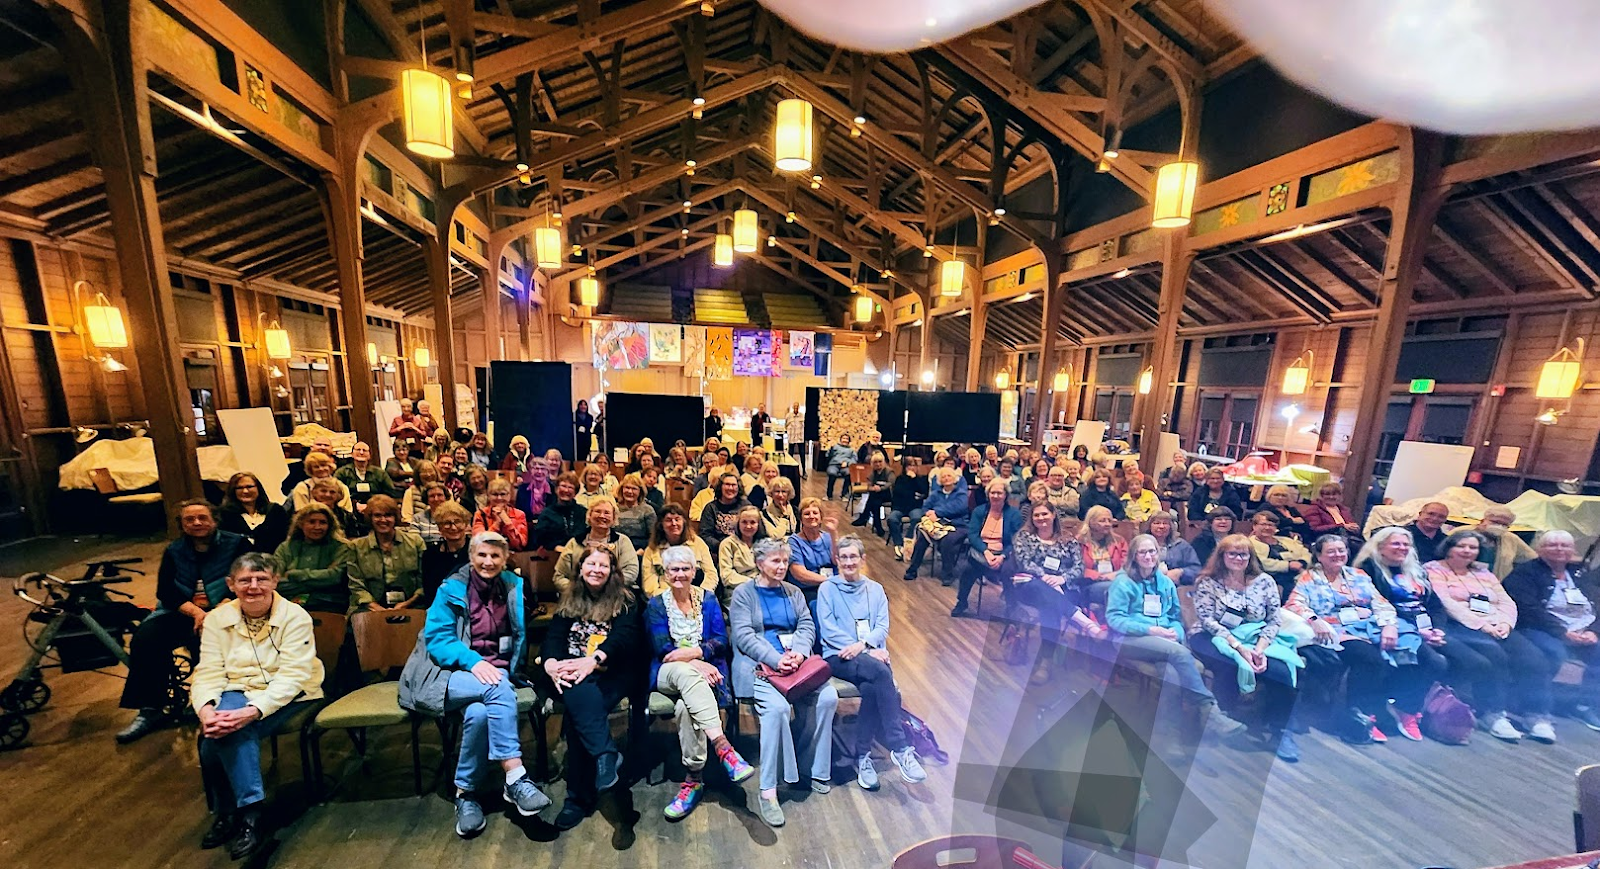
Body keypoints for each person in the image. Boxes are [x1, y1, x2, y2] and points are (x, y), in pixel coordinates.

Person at [399, 531, 551, 838]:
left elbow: (516, 635)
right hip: (443, 673)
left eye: (495, 555)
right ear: (470, 557)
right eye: (482, 555)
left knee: (480, 713)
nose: (488, 561)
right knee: (498, 688)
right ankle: (515, 776)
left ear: (505, 558)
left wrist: (507, 668)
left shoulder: (512, 585)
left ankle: (465, 794)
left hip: (491, 674)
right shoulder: (451, 589)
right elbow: (438, 641)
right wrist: (474, 662)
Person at [192, 552, 324, 860]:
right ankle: (236, 813)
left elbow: (293, 677)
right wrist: (206, 710)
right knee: (214, 730)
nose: (253, 586)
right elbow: (208, 671)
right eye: (245, 580)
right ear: (231, 584)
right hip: (236, 689)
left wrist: (250, 712)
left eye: (261, 579)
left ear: (275, 581)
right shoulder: (216, 620)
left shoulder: (295, 617)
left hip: (292, 693)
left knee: (233, 732)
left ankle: (246, 814)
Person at [116, 501, 251, 743]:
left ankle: (208, 702)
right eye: (190, 519)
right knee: (146, 638)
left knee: (208, 640)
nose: (197, 523)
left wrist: (218, 610)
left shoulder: (237, 544)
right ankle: (151, 709)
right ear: (182, 524)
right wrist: (197, 613)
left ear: (214, 520)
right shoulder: (174, 550)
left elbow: (250, 579)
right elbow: (166, 591)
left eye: (202, 518)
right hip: (185, 610)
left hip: (228, 608)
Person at [1288, 534, 1440, 745]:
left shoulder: (1358, 575)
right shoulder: (1309, 578)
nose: (1337, 555)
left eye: (1341, 550)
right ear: (1319, 556)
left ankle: (1406, 709)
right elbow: (1293, 604)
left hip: (1372, 625)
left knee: (1428, 658)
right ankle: (1363, 714)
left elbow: (1381, 603)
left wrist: (1389, 625)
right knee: (1371, 660)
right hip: (1337, 629)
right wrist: (1315, 620)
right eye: (1331, 551)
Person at [730, 537, 839, 827]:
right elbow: (743, 636)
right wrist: (776, 659)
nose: (781, 566)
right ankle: (768, 790)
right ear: (759, 563)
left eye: (784, 561)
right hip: (759, 665)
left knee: (828, 698)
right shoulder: (743, 594)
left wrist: (800, 653)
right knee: (777, 710)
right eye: (775, 561)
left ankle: (810, 767)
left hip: (796, 665)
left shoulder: (793, 591)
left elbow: (806, 624)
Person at [646, 545, 754, 820]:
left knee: (685, 708)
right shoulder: (656, 605)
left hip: (706, 673)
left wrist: (697, 653)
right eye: (674, 569)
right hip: (668, 672)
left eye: (685, 569)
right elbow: (663, 649)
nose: (680, 574)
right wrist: (696, 662)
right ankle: (724, 748)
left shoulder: (707, 599)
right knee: (686, 674)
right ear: (665, 573)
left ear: (694, 571)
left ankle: (693, 779)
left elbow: (721, 640)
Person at [541, 544, 643, 830]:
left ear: (612, 571)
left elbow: (624, 638)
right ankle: (605, 756)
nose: (597, 569)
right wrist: (550, 663)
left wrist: (593, 660)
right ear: (581, 568)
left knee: (579, 717)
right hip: (573, 672)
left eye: (603, 565)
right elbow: (554, 637)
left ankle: (577, 798)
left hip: (612, 673)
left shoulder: (626, 600)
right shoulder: (569, 598)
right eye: (591, 564)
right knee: (581, 704)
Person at [817, 535, 927, 791]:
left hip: (869, 655)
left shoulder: (875, 589)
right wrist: (862, 648)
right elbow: (829, 630)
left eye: (853, 557)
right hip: (838, 655)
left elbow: (882, 626)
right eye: (843, 557)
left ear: (862, 559)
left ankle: (862, 755)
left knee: (871, 688)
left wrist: (865, 647)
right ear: (837, 560)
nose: (848, 562)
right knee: (881, 672)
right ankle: (900, 747)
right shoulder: (827, 589)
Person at [1105, 534, 1244, 737]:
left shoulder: (1166, 583)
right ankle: (1210, 711)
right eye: (1142, 552)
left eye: (1152, 551)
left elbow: (1175, 617)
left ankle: (1166, 732)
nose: (1148, 556)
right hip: (1129, 639)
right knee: (1179, 654)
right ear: (1134, 555)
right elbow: (1115, 619)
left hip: (1164, 641)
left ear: (1158, 553)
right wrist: (1150, 630)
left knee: (1171, 674)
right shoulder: (1123, 582)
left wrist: (1175, 634)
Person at [1422, 529, 1551, 742]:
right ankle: (1493, 713)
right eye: (1461, 546)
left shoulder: (1484, 573)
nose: (1467, 551)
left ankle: (1536, 715)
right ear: (1449, 548)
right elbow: (1446, 602)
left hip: (1497, 624)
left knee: (1534, 658)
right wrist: (1481, 625)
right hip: (1459, 624)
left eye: (1473, 547)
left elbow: (1505, 600)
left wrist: (1505, 623)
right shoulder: (1434, 569)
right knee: (1494, 655)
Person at [1188, 536, 1303, 761]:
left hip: (1255, 637)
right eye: (1232, 553)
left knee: (1281, 671)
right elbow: (1207, 620)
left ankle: (1280, 731)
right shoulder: (1208, 581)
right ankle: (1227, 718)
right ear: (1221, 556)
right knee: (1228, 664)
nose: (1238, 558)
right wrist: (1239, 648)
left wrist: (1260, 648)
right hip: (1211, 635)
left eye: (1243, 554)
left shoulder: (1265, 581)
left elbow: (1274, 620)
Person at [1356, 526, 1452, 741]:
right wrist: (1419, 631)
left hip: (1424, 628)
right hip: (1388, 625)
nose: (1402, 548)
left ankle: (1406, 709)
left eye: (1406, 544)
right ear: (1380, 547)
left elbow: (1436, 605)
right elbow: (1375, 605)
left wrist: (1437, 629)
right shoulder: (1368, 569)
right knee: (1427, 661)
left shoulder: (1416, 570)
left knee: (1445, 661)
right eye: (1396, 543)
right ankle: (1377, 712)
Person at [1502, 530, 1598, 735]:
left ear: (1572, 550)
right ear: (1540, 549)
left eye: (1565, 545)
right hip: (1540, 628)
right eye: (1553, 545)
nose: (1559, 549)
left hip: (1583, 629)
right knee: (1552, 653)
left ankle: (1586, 705)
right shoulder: (1525, 573)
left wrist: (1593, 631)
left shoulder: (1580, 573)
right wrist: (1562, 632)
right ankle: (1532, 707)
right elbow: (1528, 608)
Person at [1010, 501, 1106, 685]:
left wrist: (1062, 578)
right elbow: (1024, 562)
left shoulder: (1068, 539)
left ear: (1053, 515)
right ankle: (1085, 623)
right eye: (1036, 515)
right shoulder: (1024, 536)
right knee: (1043, 592)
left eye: (1044, 514)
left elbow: (1079, 567)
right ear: (1031, 518)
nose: (1041, 518)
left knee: (1050, 606)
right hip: (1031, 585)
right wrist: (1045, 577)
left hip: (1064, 587)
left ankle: (1046, 661)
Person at [952, 480, 1024, 618]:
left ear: (1005, 495)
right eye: (993, 492)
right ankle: (962, 602)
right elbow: (973, 535)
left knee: (1008, 572)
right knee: (967, 570)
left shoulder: (1014, 514)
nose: (995, 496)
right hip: (982, 552)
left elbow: (1016, 540)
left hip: (1004, 554)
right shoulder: (979, 511)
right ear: (988, 494)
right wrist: (986, 552)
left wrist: (1002, 556)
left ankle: (1011, 606)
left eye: (999, 493)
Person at [347, 495, 425, 612]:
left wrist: (406, 605)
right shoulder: (356, 547)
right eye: (377, 515)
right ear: (370, 518)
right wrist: (376, 608)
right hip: (369, 607)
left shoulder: (415, 542)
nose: (383, 520)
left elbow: (423, 580)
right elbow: (356, 585)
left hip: (411, 604)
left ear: (395, 517)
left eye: (388, 515)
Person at [272, 503, 352, 614]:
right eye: (312, 522)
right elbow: (275, 581)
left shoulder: (342, 547)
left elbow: (335, 578)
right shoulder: (286, 548)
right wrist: (319, 582)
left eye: (323, 522)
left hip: (330, 605)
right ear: (301, 524)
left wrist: (293, 574)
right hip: (288, 605)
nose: (317, 527)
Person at [554, 496, 640, 592]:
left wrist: (605, 586)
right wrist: (580, 590)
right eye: (598, 511)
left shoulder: (623, 541)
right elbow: (559, 576)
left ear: (614, 518)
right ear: (589, 515)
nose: (602, 516)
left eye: (607, 513)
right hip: (578, 596)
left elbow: (631, 572)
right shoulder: (574, 543)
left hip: (613, 595)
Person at [903, 467, 970, 586]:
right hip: (937, 525)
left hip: (958, 525)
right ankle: (912, 570)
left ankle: (947, 574)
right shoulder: (935, 494)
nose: (946, 478)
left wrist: (937, 512)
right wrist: (930, 514)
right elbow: (925, 507)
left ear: (954, 479)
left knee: (947, 540)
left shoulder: (961, 494)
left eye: (949, 476)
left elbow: (958, 507)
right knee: (922, 537)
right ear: (940, 480)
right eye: (943, 476)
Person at [643, 504, 719, 596]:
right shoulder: (652, 549)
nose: (674, 523)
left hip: (697, 594)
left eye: (677, 519)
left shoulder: (698, 543)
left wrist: (701, 594)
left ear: (684, 522)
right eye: (668, 520)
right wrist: (669, 598)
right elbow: (649, 585)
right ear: (661, 524)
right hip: (664, 597)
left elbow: (711, 574)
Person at [787, 498, 840, 617]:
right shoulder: (794, 541)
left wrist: (834, 533)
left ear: (821, 516)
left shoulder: (828, 536)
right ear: (800, 518)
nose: (811, 516)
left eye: (815, 513)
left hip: (831, 586)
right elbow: (800, 574)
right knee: (820, 608)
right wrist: (830, 580)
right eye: (807, 514)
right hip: (808, 590)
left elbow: (837, 561)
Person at [1247, 510, 1312, 602]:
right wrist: (1288, 565)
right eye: (1263, 524)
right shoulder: (1249, 543)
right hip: (1272, 577)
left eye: (1271, 525)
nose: (1267, 527)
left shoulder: (1287, 540)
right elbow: (1261, 562)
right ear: (1254, 526)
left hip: (1299, 573)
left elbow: (1306, 553)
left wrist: (1302, 562)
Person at [219, 471, 290, 554]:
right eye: (239, 488)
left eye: (249, 487)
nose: (245, 491)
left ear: (258, 488)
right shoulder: (224, 515)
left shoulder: (276, 511)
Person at [420, 501, 473, 606]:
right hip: (440, 607)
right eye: (447, 523)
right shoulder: (430, 555)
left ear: (466, 524)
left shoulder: (477, 551)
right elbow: (429, 591)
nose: (453, 527)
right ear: (440, 528)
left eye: (457, 522)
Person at [1077, 505, 1128, 608]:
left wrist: (1117, 574)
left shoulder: (1119, 541)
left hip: (1117, 579)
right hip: (1089, 583)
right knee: (1116, 588)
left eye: (1109, 521)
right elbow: (1076, 568)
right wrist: (1100, 576)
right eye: (1102, 521)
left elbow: (1127, 564)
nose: (1107, 524)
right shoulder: (1079, 542)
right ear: (1091, 522)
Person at [1476, 506, 1537, 579]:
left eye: (1504, 525)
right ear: (1483, 521)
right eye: (1495, 522)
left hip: (1497, 582)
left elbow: (1533, 559)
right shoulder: (1464, 533)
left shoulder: (1511, 539)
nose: (1499, 526)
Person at [718, 506, 765, 601]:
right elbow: (726, 576)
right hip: (736, 591)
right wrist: (753, 583)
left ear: (758, 524)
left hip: (762, 590)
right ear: (738, 523)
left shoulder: (764, 543)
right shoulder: (727, 544)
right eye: (744, 522)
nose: (748, 526)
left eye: (753, 522)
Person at [335, 441, 396, 514]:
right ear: (352, 454)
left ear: (369, 455)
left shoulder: (380, 473)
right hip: (349, 511)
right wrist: (354, 504)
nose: (361, 452)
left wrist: (372, 505)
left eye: (364, 450)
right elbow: (336, 493)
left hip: (377, 510)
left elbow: (391, 494)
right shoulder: (342, 472)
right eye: (358, 450)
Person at [886, 460, 929, 561]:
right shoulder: (900, 479)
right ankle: (899, 544)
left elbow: (924, 491)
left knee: (917, 518)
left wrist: (914, 479)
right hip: (900, 507)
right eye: (909, 466)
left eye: (914, 466)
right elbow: (898, 492)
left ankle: (908, 543)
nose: (911, 468)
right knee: (892, 519)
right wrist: (913, 493)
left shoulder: (921, 479)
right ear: (905, 468)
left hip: (915, 507)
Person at [471, 477, 529, 551]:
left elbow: (520, 544)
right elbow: (479, 543)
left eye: (503, 494)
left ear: (509, 495)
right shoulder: (480, 514)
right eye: (495, 494)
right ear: (488, 496)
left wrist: (507, 522)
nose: (499, 498)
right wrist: (496, 524)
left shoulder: (519, 514)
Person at [1146, 511, 1203, 586]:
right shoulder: (1140, 544)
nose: (1161, 526)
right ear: (1149, 526)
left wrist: (1181, 572)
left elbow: (1196, 570)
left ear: (1171, 527)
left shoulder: (1182, 545)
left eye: (1165, 523)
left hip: (1176, 587)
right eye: (1157, 523)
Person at [699, 471, 749, 555]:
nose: (730, 488)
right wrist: (723, 547)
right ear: (720, 487)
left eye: (733, 485)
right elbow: (705, 535)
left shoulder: (746, 506)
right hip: (720, 551)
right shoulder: (711, 508)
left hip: (744, 550)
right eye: (727, 484)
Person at [534, 471, 586, 551]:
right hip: (553, 553)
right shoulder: (547, 513)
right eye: (563, 486)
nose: (566, 490)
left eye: (570, 487)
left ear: (575, 492)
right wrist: (555, 547)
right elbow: (540, 538)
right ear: (556, 489)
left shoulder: (582, 512)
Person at [1299, 482, 1364, 546]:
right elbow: (1314, 529)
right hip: (1325, 542)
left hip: (1346, 540)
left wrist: (1354, 528)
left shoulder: (1345, 510)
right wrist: (1341, 526)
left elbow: (1349, 526)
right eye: (1327, 494)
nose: (1331, 497)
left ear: (1339, 496)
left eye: (1334, 494)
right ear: (1321, 496)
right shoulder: (1314, 509)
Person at [850, 452, 892, 534]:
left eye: (880, 462)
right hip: (877, 495)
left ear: (883, 462)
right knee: (875, 502)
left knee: (874, 498)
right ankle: (877, 526)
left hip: (888, 494)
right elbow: (869, 483)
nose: (878, 464)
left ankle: (865, 517)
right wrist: (872, 488)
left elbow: (890, 484)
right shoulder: (874, 472)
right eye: (875, 462)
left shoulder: (889, 471)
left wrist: (880, 488)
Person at [614, 473, 657, 552]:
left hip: (640, 550)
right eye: (627, 488)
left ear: (640, 491)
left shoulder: (647, 510)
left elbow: (654, 536)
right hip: (617, 549)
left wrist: (644, 550)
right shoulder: (614, 508)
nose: (630, 491)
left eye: (634, 489)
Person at [401, 460, 441, 526]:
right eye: (424, 472)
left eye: (430, 471)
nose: (428, 474)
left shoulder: (446, 491)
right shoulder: (410, 492)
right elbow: (407, 518)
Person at [824, 434, 855, 500]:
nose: (845, 440)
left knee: (849, 474)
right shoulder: (835, 447)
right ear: (840, 440)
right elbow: (827, 456)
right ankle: (829, 495)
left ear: (849, 441)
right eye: (843, 438)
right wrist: (831, 449)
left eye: (846, 439)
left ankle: (844, 494)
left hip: (845, 466)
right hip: (834, 464)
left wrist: (847, 463)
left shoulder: (851, 450)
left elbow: (854, 460)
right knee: (832, 473)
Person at [785, 404, 806, 475]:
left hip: (800, 438)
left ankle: (804, 471)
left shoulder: (802, 416)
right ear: (793, 407)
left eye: (797, 406)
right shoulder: (788, 416)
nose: (796, 408)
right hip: (792, 438)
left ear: (799, 407)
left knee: (802, 455)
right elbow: (786, 425)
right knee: (790, 454)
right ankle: (789, 471)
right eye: (795, 406)